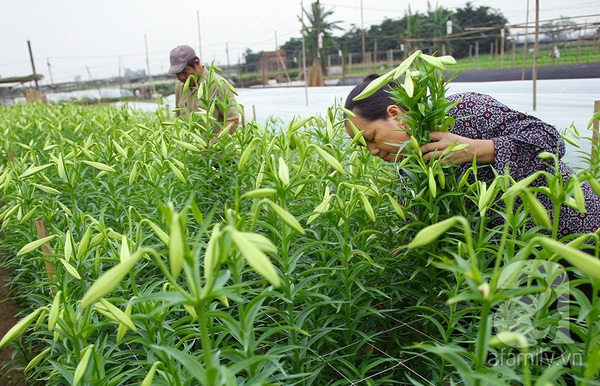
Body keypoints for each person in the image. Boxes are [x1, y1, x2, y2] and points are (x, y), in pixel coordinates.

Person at [344, 74, 600, 237]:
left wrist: (477, 149)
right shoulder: (410, 166)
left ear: (396, 114)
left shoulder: (466, 109)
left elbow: (550, 141)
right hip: (514, 257)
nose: (373, 151)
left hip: (574, 235)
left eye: (370, 138)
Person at [168, 44, 240, 139]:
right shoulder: (179, 86)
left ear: (196, 64)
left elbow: (233, 120)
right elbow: (178, 118)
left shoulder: (218, 84)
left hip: (216, 152)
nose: (181, 77)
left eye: (184, 72)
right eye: (177, 74)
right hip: (191, 151)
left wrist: (212, 145)